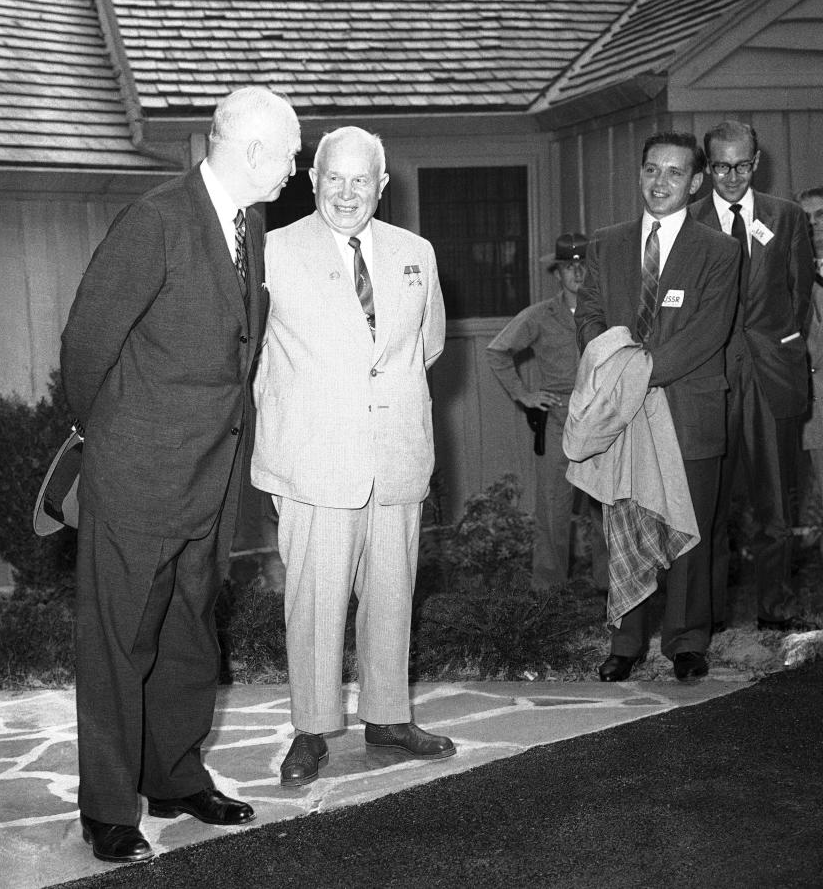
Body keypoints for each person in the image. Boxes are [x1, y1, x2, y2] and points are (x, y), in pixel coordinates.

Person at [60, 87, 301, 863]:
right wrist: (120, 444)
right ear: (253, 151)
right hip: (137, 479)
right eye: (292, 153)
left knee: (189, 636)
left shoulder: (249, 225)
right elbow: (85, 347)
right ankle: (107, 807)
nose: (296, 168)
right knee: (118, 643)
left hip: (212, 478)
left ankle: (174, 777)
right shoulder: (157, 220)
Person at [251, 126, 454, 787]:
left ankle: (388, 716)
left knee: (392, 594)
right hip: (313, 460)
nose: (346, 192)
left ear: (382, 185)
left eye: (360, 180)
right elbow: (248, 358)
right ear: (312, 181)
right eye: (333, 178)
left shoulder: (415, 253)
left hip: (394, 455)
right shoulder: (270, 254)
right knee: (314, 602)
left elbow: (425, 347)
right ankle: (311, 729)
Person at [576, 131, 740, 682]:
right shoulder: (606, 243)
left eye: (674, 173)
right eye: (651, 170)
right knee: (626, 522)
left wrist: (641, 373)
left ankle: (687, 642)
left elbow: (708, 333)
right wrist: (620, 371)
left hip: (686, 408)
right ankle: (626, 642)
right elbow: (590, 318)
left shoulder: (718, 250)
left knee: (690, 528)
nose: (660, 183)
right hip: (622, 412)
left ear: (696, 183)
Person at [690, 121, 815, 632]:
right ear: (707, 167)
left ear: (757, 162)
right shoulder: (688, 220)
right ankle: (708, 616)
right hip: (710, 379)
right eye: (721, 166)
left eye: (742, 165)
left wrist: (776, 347)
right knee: (709, 506)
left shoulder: (785, 217)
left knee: (774, 503)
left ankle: (776, 607)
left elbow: (799, 295)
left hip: (770, 376)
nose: (732, 176)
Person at [486, 233, 608, 594]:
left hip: (601, 418)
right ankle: (549, 592)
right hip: (558, 418)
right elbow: (498, 352)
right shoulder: (541, 315)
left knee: (605, 506)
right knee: (554, 507)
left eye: (583, 265)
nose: (577, 272)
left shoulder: (608, 312)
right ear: (557, 273)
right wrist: (525, 395)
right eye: (569, 267)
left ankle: (611, 586)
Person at [796, 186, 823, 533]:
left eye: (821, 217)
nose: (815, 226)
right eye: (806, 220)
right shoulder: (791, 276)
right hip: (814, 409)